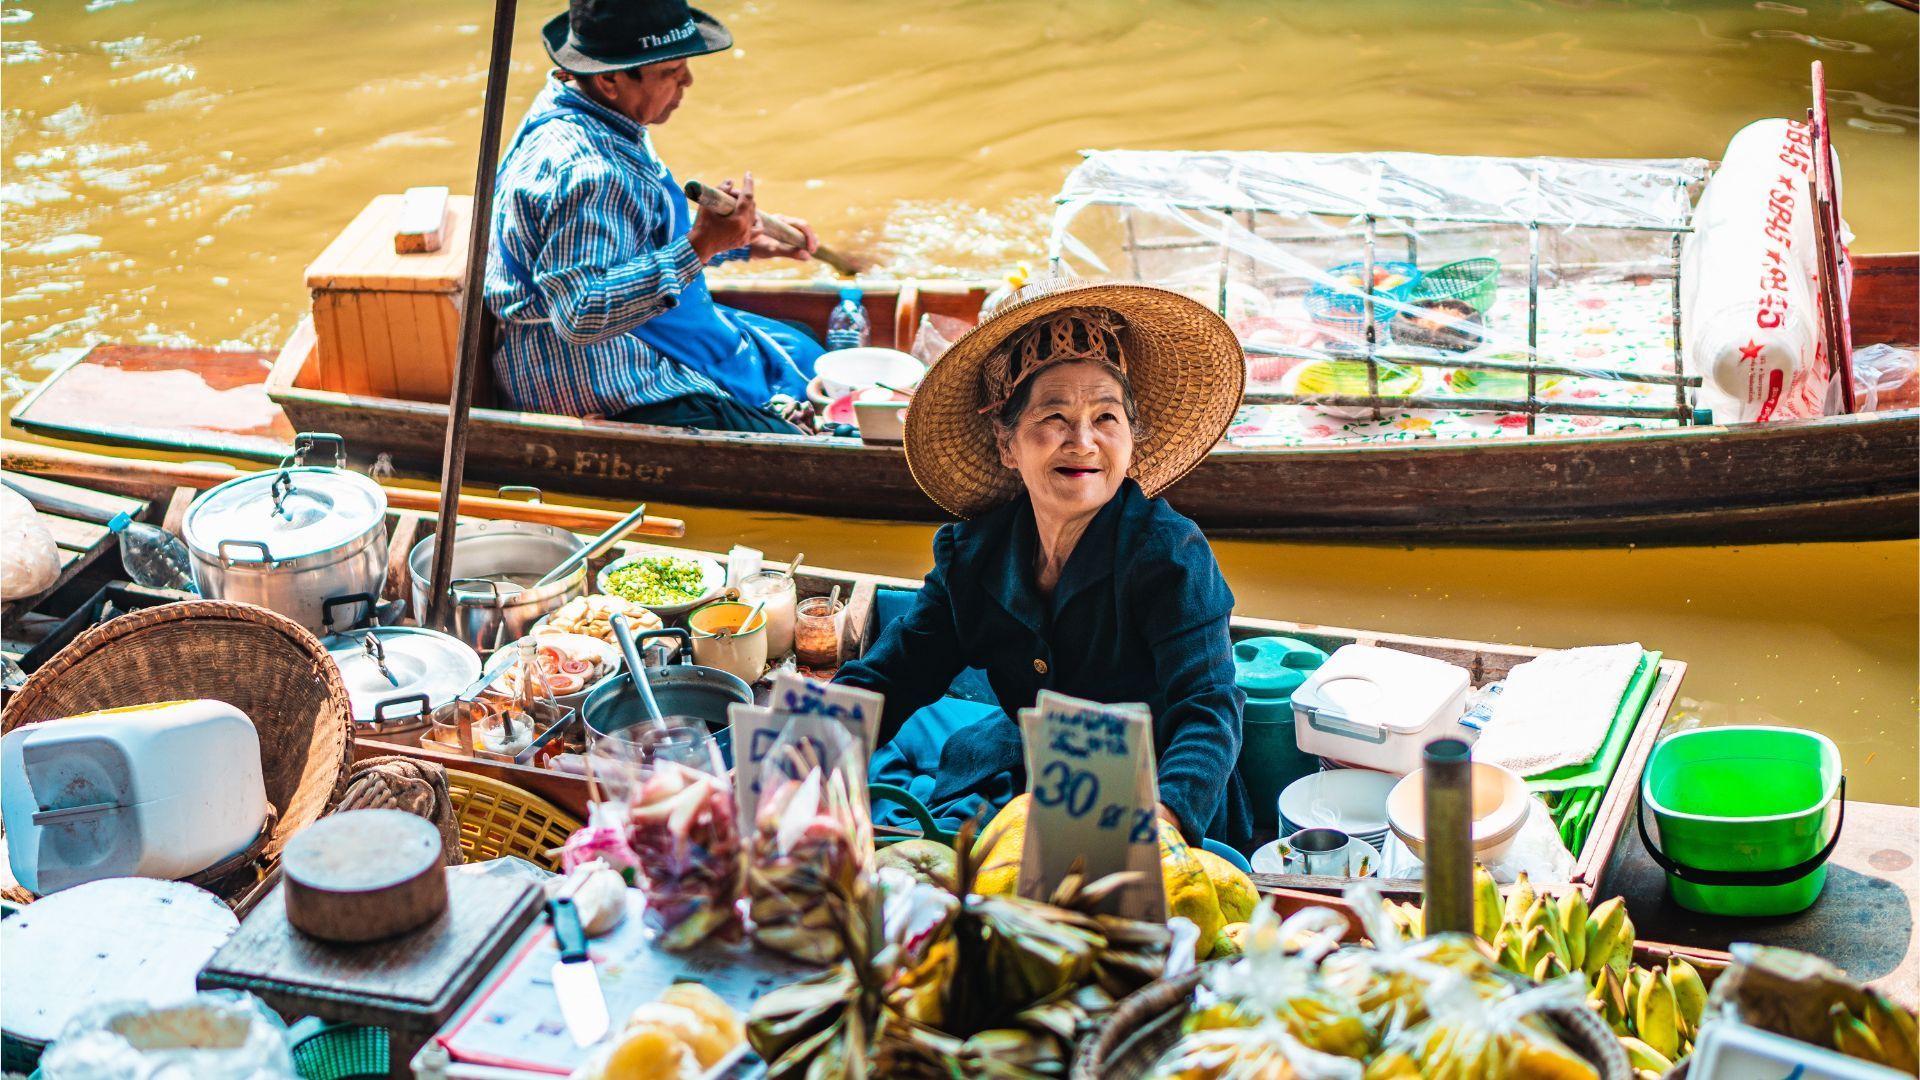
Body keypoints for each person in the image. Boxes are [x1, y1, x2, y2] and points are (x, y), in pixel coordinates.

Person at [835, 279, 1254, 848]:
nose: (1082, 441)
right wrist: (807, 746)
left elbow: (1207, 709)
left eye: (1106, 417)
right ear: (1008, 445)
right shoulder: (972, 555)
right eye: (1054, 417)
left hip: (1159, 797)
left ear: (1130, 438)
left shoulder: (1170, 555)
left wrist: (1163, 820)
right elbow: (894, 672)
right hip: (1043, 778)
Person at [484, 0, 824, 434]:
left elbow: (629, 237)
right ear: (609, 78)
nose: (688, 80)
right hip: (586, 369)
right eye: (671, 71)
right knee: (787, 433)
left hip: (624, 334)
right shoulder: (590, 173)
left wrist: (736, 243)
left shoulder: (577, 105)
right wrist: (700, 245)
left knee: (799, 341)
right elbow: (580, 313)